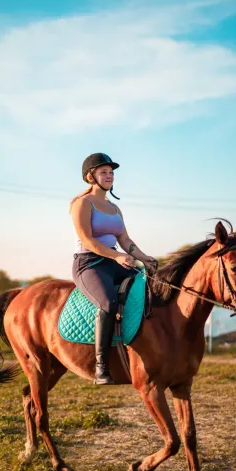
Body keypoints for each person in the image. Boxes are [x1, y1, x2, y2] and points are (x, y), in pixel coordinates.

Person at [70, 153, 157, 385]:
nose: (109, 176)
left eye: (111, 173)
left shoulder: (115, 208)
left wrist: (144, 257)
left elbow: (125, 240)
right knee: (108, 303)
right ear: (91, 177)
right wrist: (118, 255)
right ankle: (101, 367)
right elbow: (87, 241)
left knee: (150, 288)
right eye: (104, 172)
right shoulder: (82, 204)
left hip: (114, 260)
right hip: (88, 263)